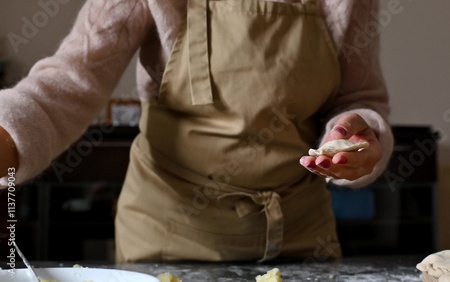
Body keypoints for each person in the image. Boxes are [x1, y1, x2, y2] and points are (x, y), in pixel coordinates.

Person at [0, 0, 394, 262]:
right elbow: (69, 81)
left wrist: (364, 137)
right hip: (169, 233)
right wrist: (7, 132)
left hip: (301, 235)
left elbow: (361, 98)